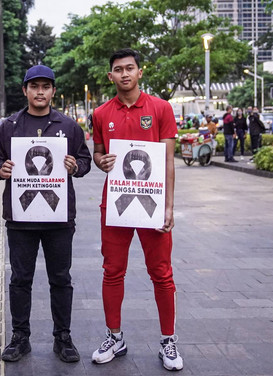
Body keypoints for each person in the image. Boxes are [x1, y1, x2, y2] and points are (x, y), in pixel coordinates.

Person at [0, 65, 92, 363]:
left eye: (45, 87)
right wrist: (0, 168)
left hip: (58, 218)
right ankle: (20, 337)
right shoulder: (9, 126)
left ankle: (63, 337)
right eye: (34, 86)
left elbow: (85, 160)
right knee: (20, 279)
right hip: (20, 218)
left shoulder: (69, 126)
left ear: (53, 91)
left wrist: (76, 166)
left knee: (60, 278)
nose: (40, 92)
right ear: (25, 91)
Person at [91, 48, 183, 371]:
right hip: (115, 203)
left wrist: (169, 207)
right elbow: (98, 153)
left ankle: (168, 340)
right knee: (112, 270)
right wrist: (101, 161)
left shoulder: (160, 108)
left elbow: (168, 161)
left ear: (140, 72)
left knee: (161, 273)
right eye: (118, 69)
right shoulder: (101, 113)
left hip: (152, 204)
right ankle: (114, 336)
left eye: (130, 68)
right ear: (111, 76)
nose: (125, 74)